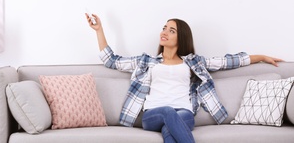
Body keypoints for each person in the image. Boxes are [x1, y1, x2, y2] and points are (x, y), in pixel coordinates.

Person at [86, 13, 282, 143]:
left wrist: (261, 57)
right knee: (168, 113)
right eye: (164, 28)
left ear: (181, 38)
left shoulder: (193, 63)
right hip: (153, 114)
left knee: (169, 132)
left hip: (185, 114)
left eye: (172, 31)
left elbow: (228, 61)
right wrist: (99, 30)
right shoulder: (146, 62)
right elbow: (112, 60)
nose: (164, 32)